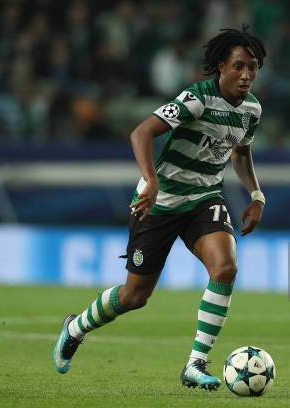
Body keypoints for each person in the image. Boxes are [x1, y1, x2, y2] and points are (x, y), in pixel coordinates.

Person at [52, 26, 267, 391]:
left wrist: (256, 195)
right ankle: (76, 328)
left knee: (225, 267)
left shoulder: (251, 111)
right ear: (220, 66)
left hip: (204, 199)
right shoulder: (196, 98)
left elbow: (240, 152)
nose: (246, 75)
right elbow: (141, 132)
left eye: (253, 67)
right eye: (239, 66)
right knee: (134, 297)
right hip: (161, 201)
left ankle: (196, 364)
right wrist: (150, 181)